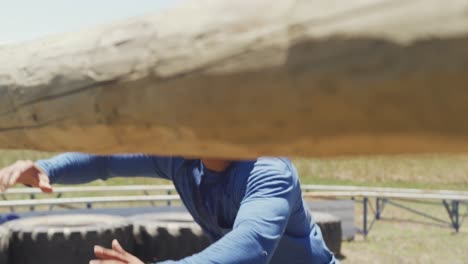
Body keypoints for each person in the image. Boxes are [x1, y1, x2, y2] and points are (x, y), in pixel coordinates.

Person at [0, 153, 337, 264]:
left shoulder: (269, 171)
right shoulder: (181, 157)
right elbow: (104, 159)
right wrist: (46, 169)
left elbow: (250, 246)